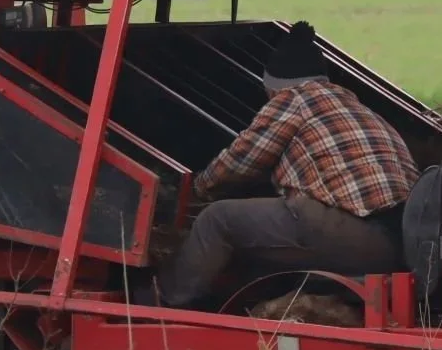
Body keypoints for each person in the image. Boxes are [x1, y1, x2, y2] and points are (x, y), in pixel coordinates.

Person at [156, 23, 417, 309]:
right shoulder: (354, 106)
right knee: (272, 228)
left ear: (274, 88)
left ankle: (165, 305)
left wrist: (197, 188)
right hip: (401, 241)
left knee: (217, 219)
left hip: (355, 233)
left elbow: (241, 160)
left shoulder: (294, 99)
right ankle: (245, 303)